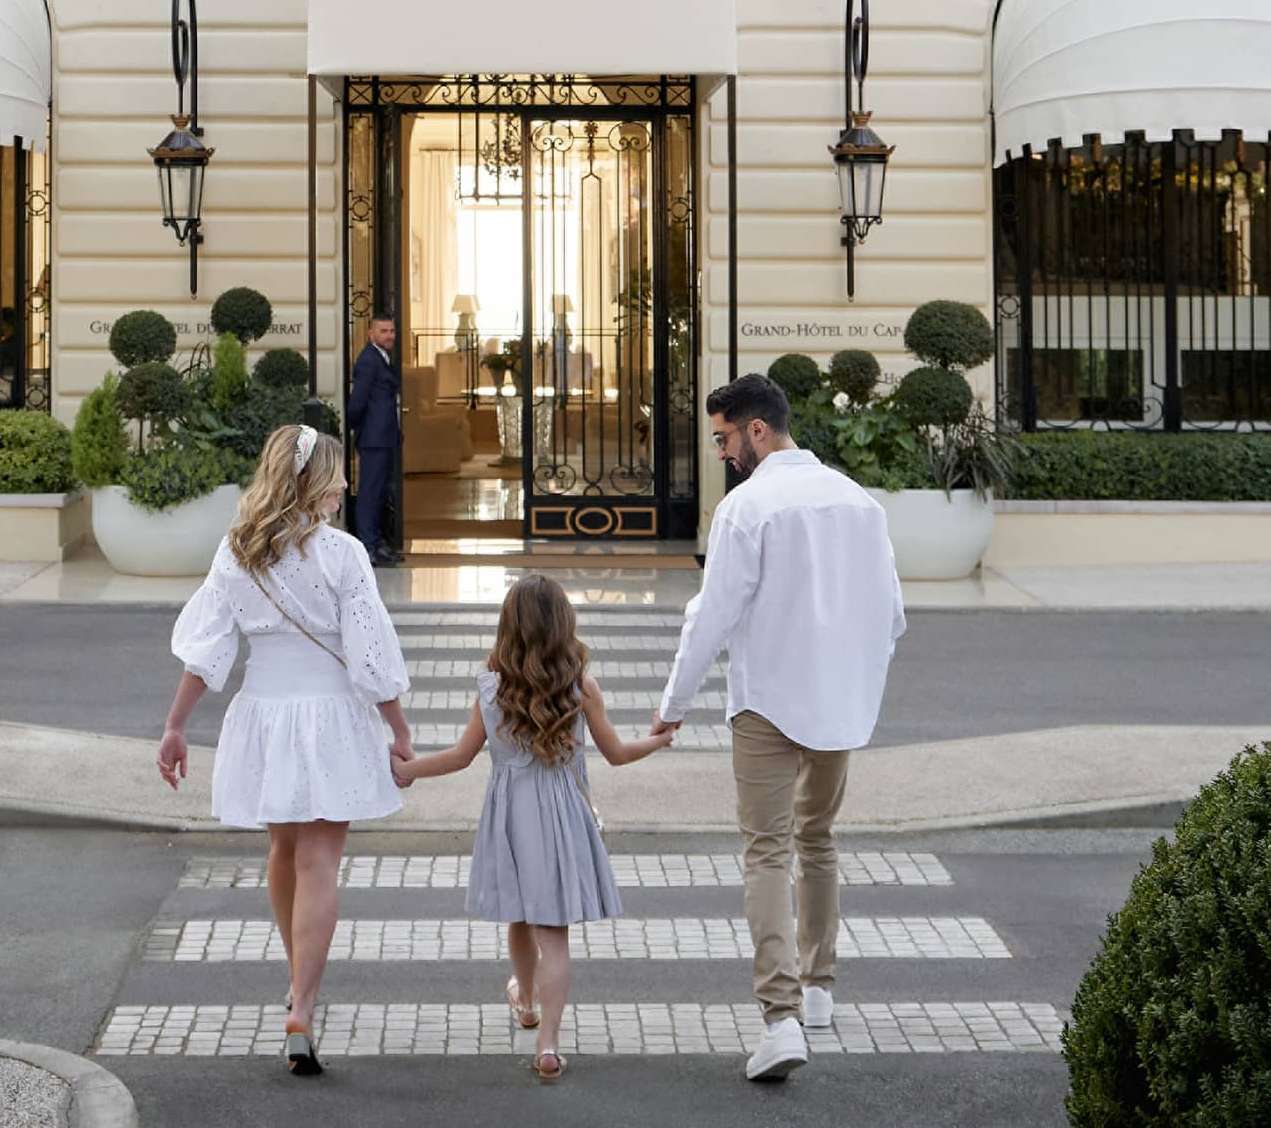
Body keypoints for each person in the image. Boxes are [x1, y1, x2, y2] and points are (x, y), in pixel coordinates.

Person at [653, 373, 905, 1086]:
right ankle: (818, 988)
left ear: (756, 430)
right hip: (838, 702)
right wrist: (857, 675)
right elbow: (892, 615)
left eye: (724, 437)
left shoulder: (747, 507)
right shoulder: (860, 503)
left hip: (766, 701)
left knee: (767, 850)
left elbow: (713, 616)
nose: (723, 452)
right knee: (818, 838)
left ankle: (781, 1017)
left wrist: (674, 703)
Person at [157, 424, 413, 1077]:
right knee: (322, 860)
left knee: (284, 850)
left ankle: (297, 979)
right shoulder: (345, 554)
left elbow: (208, 649)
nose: (347, 483)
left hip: (266, 714)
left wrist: (176, 725)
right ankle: (304, 1002)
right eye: (337, 472)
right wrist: (399, 727)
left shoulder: (236, 550)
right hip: (330, 716)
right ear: (314, 481)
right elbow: (370, 654)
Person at [393, 573, 674, 1081]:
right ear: (565, 625)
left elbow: (461, 756)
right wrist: (657, 739)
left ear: (508, 627)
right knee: (555, 935)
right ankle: (547, 1044)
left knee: (518, 915)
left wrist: (408, 770)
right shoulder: (581, 686)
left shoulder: (491, 687)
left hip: (510, 814)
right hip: (562, 814)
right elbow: (615, 753)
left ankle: (525, 1001)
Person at [346, 312, 403, 567]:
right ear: (371, 334)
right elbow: (357, 401)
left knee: (380, 493)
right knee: (369, 493)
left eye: (391, 331)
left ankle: (377, 543)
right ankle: (367, 547)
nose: (389, 335)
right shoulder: (368, 360)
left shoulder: (383, 357)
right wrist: (356, 427)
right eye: (384, 331)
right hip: (373, 438)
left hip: (385, 437)